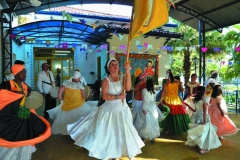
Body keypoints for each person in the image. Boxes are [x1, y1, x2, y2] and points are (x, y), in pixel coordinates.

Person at [67, 58, 144, 160]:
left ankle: (121, 150)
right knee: (110, 133)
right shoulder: (106, 80)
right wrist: (118, 97)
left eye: (116, 63)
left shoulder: (123, 78)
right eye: (112, 64)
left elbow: (128, 88)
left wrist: (128, 72)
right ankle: (112, 153)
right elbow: (104, 96)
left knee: (123, 132)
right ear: (109, 68)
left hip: (122, 110)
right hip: (109, 111)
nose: (115, 65)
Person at [0, 64, 51, 160]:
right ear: (15, 74)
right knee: (14, 138)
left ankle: (22, 157)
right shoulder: (7, 84)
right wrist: (16, 95)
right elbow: (3, 96)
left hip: (24, 117)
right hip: (12, 118)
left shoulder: (24, 86)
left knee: (26, 137)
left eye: (25, 73)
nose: (24, 75)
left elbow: (31, 97)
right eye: (22, 73)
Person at [47, 71, 95, 135]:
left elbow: (60, 91)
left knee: (67, 119)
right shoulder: (80, 85)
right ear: (78, 78)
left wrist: (60, 99)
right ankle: (76, 131)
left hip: (67, 105)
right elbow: (84, 96)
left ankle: (67, 131)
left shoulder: (66, 84)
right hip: (79, 105)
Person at [185, 86, 221, 154]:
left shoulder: (196, 99)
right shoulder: (204, 100)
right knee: (204, 133)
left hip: (195, 117)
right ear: (203, 92)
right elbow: (205, 111)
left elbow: (196, 109)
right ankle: (202, 148)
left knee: (197, 131)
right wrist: (205, 120)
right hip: (202, 117)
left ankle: (198, 145)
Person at [133, 78, 164, 142]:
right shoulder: (154, 91)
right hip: (153, 108)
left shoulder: (144, 90)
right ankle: (152, 136)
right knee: (153, 122)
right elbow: (154, 100)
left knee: (143, 122)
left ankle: (143, 136)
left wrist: (144, 109)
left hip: (146, 107)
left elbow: (144, 100)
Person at [159, 69, 190, 135]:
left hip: (167, 99)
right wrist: (176, 88)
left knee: (168, 115)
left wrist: (160, 99)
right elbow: (182, 90)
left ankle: (167, 129)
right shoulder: (177, 82)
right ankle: (174, 129)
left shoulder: (166, 82)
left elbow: (163, 91)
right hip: (176, 100)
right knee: (176, 115)